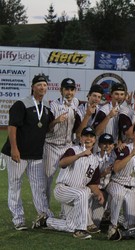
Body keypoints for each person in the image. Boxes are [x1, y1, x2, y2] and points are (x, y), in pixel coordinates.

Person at [32, 126, 105, 240]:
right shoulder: (73, 150)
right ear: (81, 138)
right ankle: (81, 230)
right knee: (83, 192)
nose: (88, 138)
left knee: (71, 225)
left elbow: (93, 183)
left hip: (76, 196)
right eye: (86, 136)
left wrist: (99, 193)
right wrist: (80, 155)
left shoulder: (95, 160)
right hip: (63, 190)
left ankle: (45, 221)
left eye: (91, 136)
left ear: (94, 140)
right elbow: (62, 163)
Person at [1, 75, 53, 230]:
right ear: (33, 86)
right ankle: (18, 219)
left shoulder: (46, 107)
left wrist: (56, 121)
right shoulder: (21, 104)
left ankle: (44, 216)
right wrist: (14, 149)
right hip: (18, 154)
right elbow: (12, 127)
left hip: (36, 155)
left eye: (44, 85)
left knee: (39, 187)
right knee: (15, 185)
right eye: (39, 85)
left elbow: (45, 129)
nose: (42, 87)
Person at [106, 122, 135, 233]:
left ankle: (112, 219)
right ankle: (113, 225)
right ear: (133, 136)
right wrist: (131, 154)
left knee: (132, 225)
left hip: (132, 189)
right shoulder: (126, 149)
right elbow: (116, 168)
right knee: (118, 195)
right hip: (117, 184)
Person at [44, 77, 79, 203]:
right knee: (47, 180)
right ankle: (44, 212)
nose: (69, 92)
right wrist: (56, 121)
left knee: (69, 180)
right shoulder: (53, 105)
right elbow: (47, 128)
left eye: (72, 89)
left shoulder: (75, 102)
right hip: (52, 146)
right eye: (67, 89)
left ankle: (66, 212)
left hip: (67, 146)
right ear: (61, 90)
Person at [89, 133, 116, 230]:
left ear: (113, 145)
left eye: (109, 143)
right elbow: (89, 178)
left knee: (95, 223)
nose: (107, 146)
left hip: (105, 192)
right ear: (99, 145)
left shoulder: (115, 158)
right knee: (90, 222)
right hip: (93, 191)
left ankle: (108, 220)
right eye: (104, 143)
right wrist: (102, 174)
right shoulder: (93, 158)